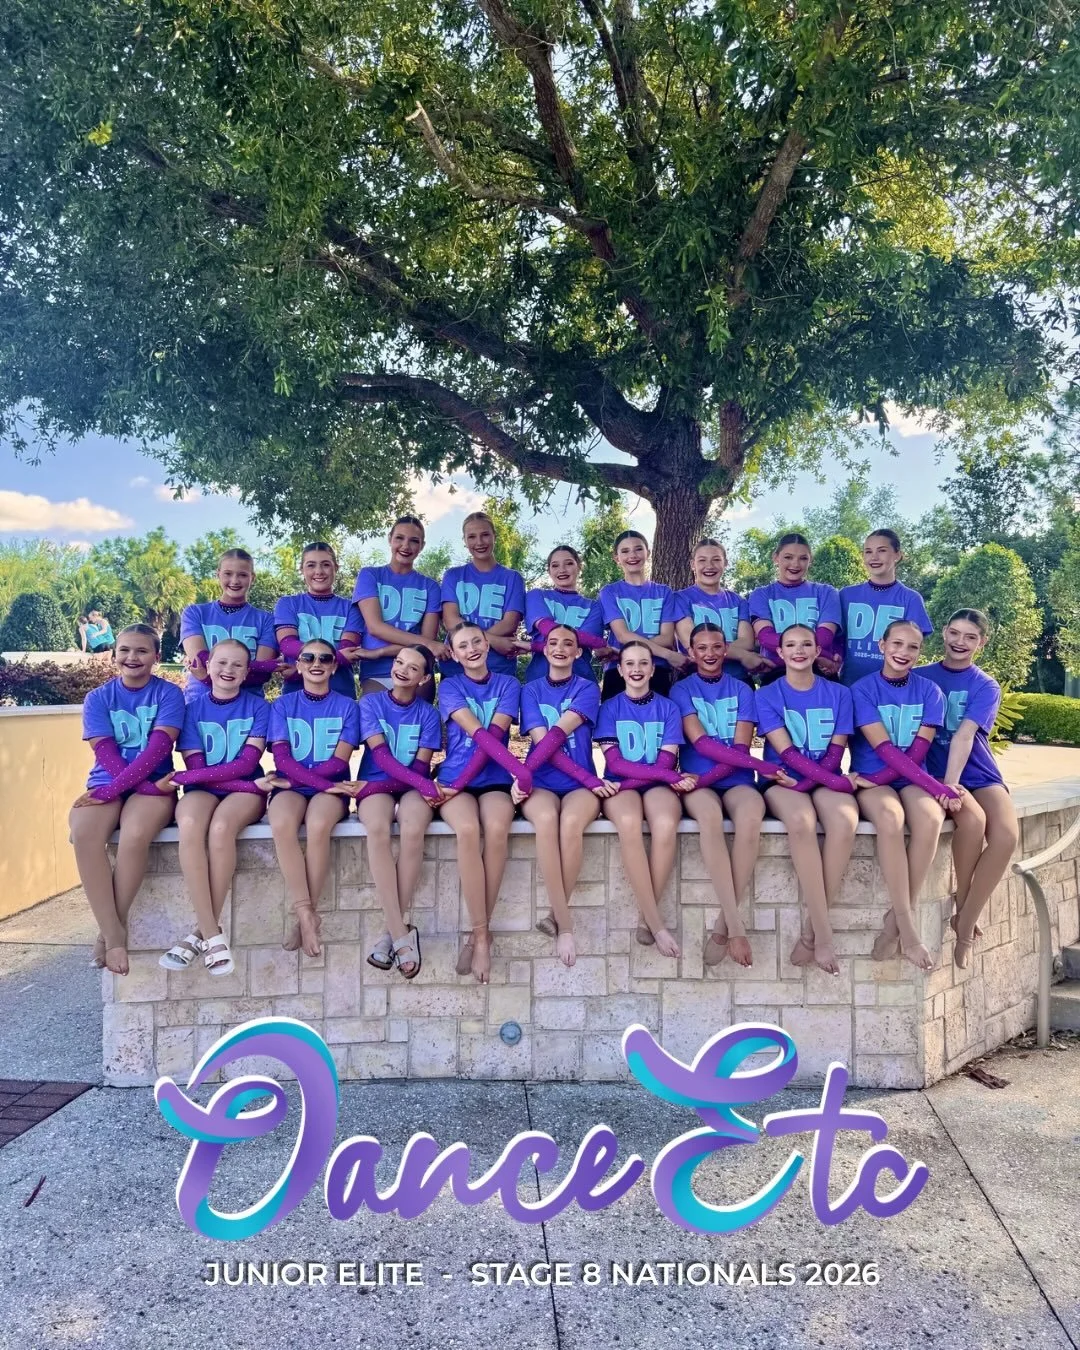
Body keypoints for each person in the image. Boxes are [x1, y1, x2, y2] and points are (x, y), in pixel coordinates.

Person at [672, 623, 793, 968]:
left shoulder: (742, 689)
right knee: (709, 818)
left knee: (751, 815)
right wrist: (759, 766)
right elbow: (702, 744)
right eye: (701, 648)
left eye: (716, 647)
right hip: (698, 782)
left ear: (726, 650)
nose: (709, 654)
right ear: (691, 653)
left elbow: (739, 748)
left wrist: (726, 772)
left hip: (734, 777)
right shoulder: (681, 690)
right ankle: (737, 929)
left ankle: (723, 926)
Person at [849, 620, 963, 972]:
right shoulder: (862, 689)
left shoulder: (930, 692)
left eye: (912, 647)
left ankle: (895, 921)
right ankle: (909, 930)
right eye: (896, 644)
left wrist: (932, 790)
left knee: (930, 817)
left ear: (920, 652)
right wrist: (938, 788)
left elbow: (915, 754)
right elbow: (884, 749)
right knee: (891, 818)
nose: (903, 652)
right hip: (875, 780)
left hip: (911, 776)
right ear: (881, 646)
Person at [69, 624, 184, 975]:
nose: (132, 657)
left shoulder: (169, 694)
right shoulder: (98, 698)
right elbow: (104, 751)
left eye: (142, 651)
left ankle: (110, 937)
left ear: (156, 656)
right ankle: (113, 931)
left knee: (135, 834)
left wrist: (142, 788)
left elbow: (158, 749)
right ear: (114, 654)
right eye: (125, 650)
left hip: (155, 781)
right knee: (84, 834)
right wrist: (118, 789)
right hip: (113, 780)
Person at [755, 625, 864, 975]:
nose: (798, 650)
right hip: (782, 781)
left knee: (844, 823)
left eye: (806, 644)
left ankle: (809, 931)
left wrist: (817, 782)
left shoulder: (839, 694)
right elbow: (786, 753)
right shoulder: (767, 695)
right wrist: (824, 783)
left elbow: (836, 751)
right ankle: (824, 936)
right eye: (790, 645)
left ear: (818, 651)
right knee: (801, 823)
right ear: (780, 653)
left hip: (819, 777)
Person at [159, 640, 270, 975]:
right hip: (211, 788)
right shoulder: (191, 709)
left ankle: (200, 934)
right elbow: (197, 766)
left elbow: (245, 764)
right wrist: (246, 784)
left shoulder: (259, 707)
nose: (228, 670)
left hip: (244, 791)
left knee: (221, 828)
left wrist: (247, 786)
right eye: (221, 662)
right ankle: (211, 934)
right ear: (208, 667)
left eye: (237, 665)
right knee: (190, 824)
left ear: (247, 672)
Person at [921, 609, 1019, 968]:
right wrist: (944, 784)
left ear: (982, 642)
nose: (960, 642)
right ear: (944, 632)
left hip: (977, 771)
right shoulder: (920, 676)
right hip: (935, 772)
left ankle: (965, 914)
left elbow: (964, 735)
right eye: (955, 633)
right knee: (972, 821)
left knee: (1006, 837)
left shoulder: (985, 685)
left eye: (970, 637)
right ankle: (964, 924)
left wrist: (953, 784)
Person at [436, 622, 531, 984]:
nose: (472, 648)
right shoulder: (450, 686)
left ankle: (477, 934)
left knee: (497, 828)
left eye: (477, 641)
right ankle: (481, 936)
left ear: (488, 646)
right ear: (454, 654)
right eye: (463, 645)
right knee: (467, 829)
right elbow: (475, 733)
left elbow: (493, 736)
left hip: (493, 777)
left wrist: (514, 774)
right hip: (454, 779)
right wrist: (459, 784)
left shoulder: (508, 684)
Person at [518, 625, 619, 965]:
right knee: (546, 821)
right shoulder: (531, 690)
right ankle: (565, 926)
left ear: (578, 653)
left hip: (580, 783)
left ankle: (556, 916)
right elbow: (544, 745)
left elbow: (558, 736)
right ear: (544, 649)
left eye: (568, 644)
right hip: (543, 780)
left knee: (572, 824)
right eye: (553, 642)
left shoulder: (587, 688)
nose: (560, 648)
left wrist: (588, 780)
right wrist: (526, 776)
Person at [347, 645, 444, 979]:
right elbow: (383, 759)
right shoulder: (370, 703)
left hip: (410, 784)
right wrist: (423, 785)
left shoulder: (428, 714)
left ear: (424, 678)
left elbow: (419, 766)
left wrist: (423, 785)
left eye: (413, 667)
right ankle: (401, 935)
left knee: (413, 828)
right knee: (377, 828)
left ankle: (392, 936)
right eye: (400, 662)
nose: (403, 670)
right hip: (377, 782)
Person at [594, 642, 695, 959]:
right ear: (620, 670)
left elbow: (666, 762)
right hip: (621, 785)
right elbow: (617, 763)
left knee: (665, 824)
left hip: (649, 784)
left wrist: (664, 777)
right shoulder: (609, 707)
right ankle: (656, 923)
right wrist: (667, 778)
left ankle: (644, 916)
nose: (636, 669)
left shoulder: (669, 708)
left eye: (643, 663)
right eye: (629, 664)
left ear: (652, 669)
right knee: (629, 823)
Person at [264, 639, 361, 959]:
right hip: (293, 786)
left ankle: (306, 915)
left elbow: (339, 760)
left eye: (324, 658)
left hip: (330, 786)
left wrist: (319, 784)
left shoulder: (348, 706)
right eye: (308, 658)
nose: (316, 663)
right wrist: (308, 782)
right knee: (282, 823)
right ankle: (306, 913)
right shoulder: (282, 705)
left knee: (319, 825)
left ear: (334, 666)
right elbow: (282, 758)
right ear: (299, 665)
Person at [352, 516, 446, 696]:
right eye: (399, 538)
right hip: (376, 672)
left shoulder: (430, 587)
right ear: (390, 539)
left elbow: (424, 646)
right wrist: (425, 642)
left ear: (422, 546)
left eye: (414, 541)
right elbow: (376, 627)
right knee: (375, 710)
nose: (405, 546)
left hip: (417, 671)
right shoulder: (370, 575)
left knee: (416, 712)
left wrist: (380, 651)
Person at [180, 548, 278, 701]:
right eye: (228, 573)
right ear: (218, 574)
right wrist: (255, 666)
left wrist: (206, 676)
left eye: (242, 575)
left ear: (252, 578)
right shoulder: (195, 613)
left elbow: (261, 675)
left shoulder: (266, 619)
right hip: (200, 702)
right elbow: (199, 659)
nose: (235, 581)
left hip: (249, 706)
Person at [840, 530, 933, 686]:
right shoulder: (846, 595)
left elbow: (913, 647)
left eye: (881, 551)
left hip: (891, 690)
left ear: (897, 555)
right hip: (849, 686)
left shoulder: (910, 599)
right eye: (868, 552)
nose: (874, 557)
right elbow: (836, 640)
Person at [274, 541, 365, 699]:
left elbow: (349, 650)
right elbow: (287, 645)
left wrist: (299, 671)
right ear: (302, 569)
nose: (319, 571)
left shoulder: (352, 608)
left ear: (336, 568)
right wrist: (338, 657)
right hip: (295, 695)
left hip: (340, 695)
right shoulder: (287, 604)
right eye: (311, 565)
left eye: (326, 565)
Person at [440, 511, 527, 679]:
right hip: (456, 668)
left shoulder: (512, 578)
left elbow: (509, 623)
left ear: (494, 536)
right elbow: (451, 621)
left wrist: (475, 641)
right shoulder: (453, 576)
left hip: (498, 667)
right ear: (465, 541)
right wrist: (493, 641)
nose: (479, 542)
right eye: (472, 537)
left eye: (485, 535)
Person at [598, 530, 682, 699]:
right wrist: (668, 654)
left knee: (659, 715)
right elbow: (622, 635)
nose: (632, 555)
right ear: (616, 558)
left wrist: (624, 651)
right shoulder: (609, 592)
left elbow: (666, 638)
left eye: (638, 549)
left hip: (656, 668)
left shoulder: (664, 592)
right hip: (619, 669)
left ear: (648, 553)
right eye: (625, 551)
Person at [748, 533, 842, 682]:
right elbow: (766, 638)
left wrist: (778, 660)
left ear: (810, 560)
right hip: (777, 675)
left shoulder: (826, 592)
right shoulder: (761, 594)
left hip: (819, 674)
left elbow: (825, 637)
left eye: (803, 558)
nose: (795, 564)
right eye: (788, 557)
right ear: (776, 558)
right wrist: (822, 656)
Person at [674, 540, 764, 684]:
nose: (709, 566)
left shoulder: (738, 601)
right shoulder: (680, 599)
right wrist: (742, 655)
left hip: (737, 679)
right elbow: (692, 644)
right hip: (696, 681)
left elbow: (747, 642)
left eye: (716, 560)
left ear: (725, 563)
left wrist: (708, 649)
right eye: (702, 560)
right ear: (692, 564)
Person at [523, 545, 609, 683]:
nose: (562, 570)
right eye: (555, 565)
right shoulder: (536, 595)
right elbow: (546, 627)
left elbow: (588, 641)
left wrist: (533, 646)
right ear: (549, 571)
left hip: (581, 683)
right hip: (539, 681)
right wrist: (595, 641)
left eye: (568, 563)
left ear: (579, 566)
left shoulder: (594, 606)